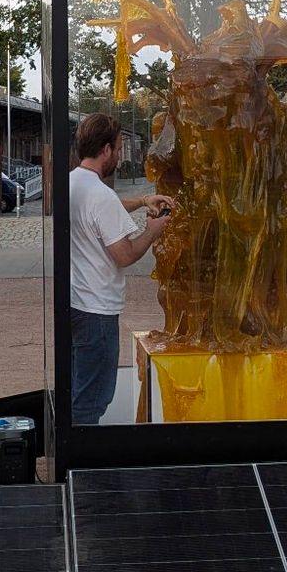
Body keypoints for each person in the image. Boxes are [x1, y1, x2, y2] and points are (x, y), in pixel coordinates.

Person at [69, 113, 173, 427]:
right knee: (92, 399)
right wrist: (154, 230)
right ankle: (82, 465)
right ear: (105, 150)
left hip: (76, 304)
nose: (118, 154)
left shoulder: (74, 182)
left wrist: (142, 200)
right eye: (117, 148)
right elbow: (124, 255)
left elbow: (106, 207)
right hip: (97, 311)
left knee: (79, 389)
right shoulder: (99, 196)